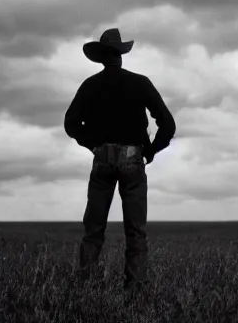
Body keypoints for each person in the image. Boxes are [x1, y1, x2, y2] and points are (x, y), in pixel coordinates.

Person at [64, 28, 176, 294]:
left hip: (102, 160)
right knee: (136, 232)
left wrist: (92, 144)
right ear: (122, 56)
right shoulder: (140, 82)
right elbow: (168, 125)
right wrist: (150, 152)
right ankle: (135, 291)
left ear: (102, 58)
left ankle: (85, 290)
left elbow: (71, 124)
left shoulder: (90, 85)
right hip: (132, 160)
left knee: (93, 231)